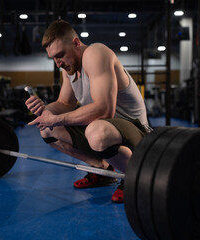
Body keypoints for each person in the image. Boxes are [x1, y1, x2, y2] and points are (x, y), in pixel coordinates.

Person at [25, 19, 151, 203]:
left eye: (60, 55)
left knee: (97, 131)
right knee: (47, 129)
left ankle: (137, 177)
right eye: (53, 58)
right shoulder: (68, 69)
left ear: (76, 42)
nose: (58, 63)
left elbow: (104, 110)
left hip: (136, 130)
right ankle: (102, 171)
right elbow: (64, 103)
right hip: (106, 130)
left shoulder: (95, 53)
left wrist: (57, 119)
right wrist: (45, 111)